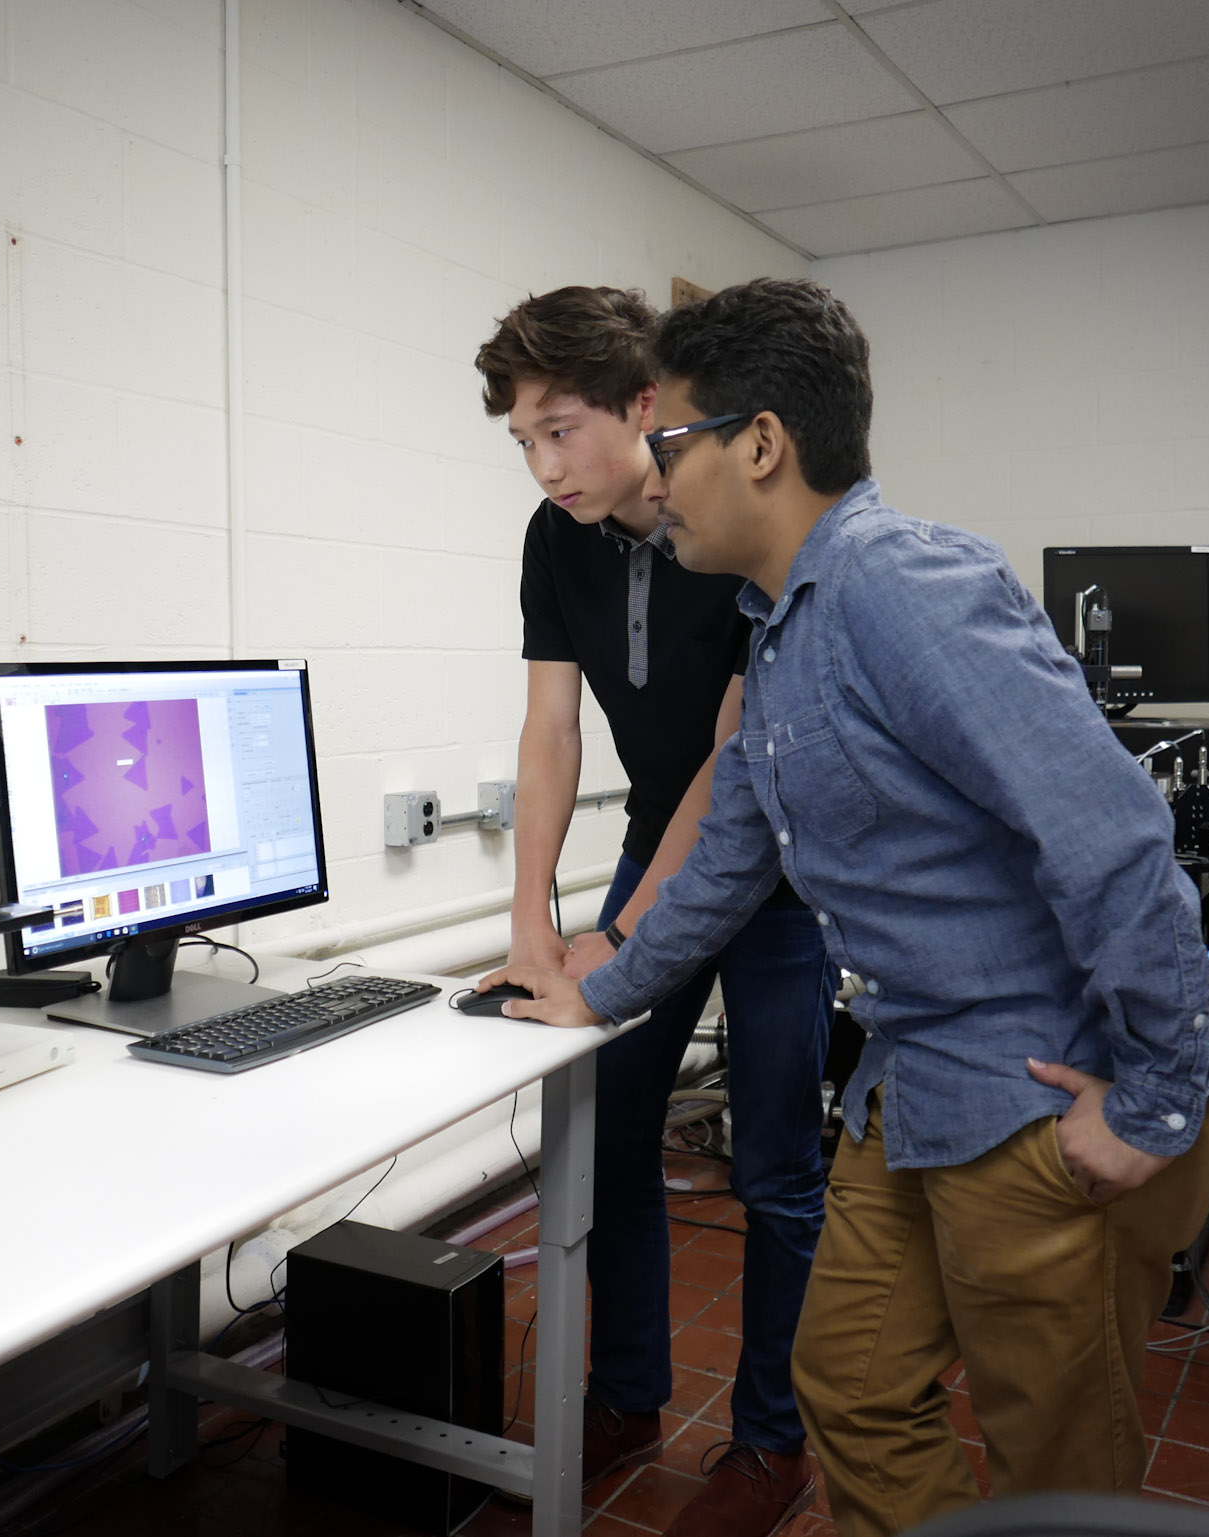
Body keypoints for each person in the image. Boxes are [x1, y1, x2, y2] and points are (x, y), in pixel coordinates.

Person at [487, 277, 1209, 1537]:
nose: (654, 481)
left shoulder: (900, 584)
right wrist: (598, 988)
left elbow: (1112, 836)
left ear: (761, 445)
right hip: (913, 1081)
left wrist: (1160, 1096)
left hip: (1040, 1087)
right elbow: (726, 851)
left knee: (1054, 1471)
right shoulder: (777, 624)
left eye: (670, 446)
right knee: (847, 1386)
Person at [473, 286, 832, 1537]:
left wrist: (624, 940)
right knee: (611, 1132)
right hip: (650, 844)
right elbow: (550, 729)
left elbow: (730, 771)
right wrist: (531, 917)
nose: (544, 464)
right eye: (523, 440)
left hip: (779, 870)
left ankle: (769, 1444)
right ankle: (626, 1396)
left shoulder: (723, 521)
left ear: (641, 405)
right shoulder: (552, 535)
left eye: (560, 429)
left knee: (774, 1160)